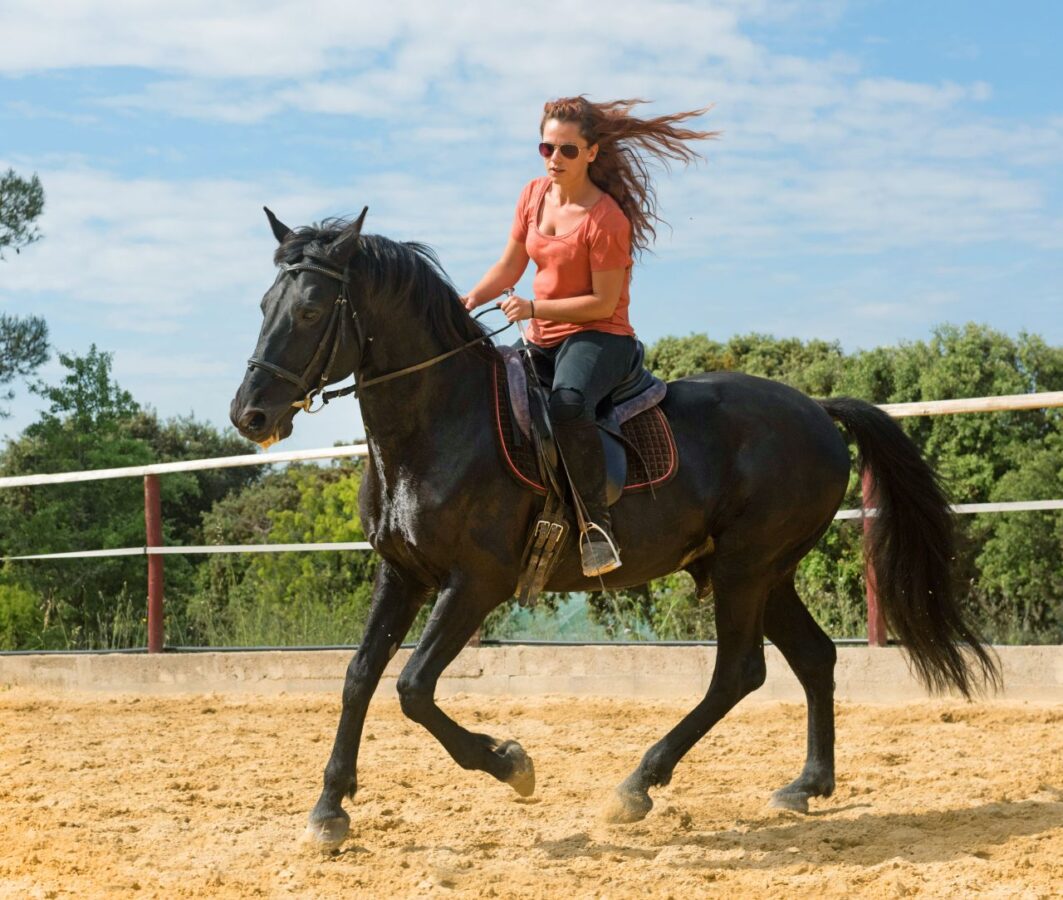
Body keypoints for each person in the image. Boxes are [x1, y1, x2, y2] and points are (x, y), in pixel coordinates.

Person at [463, 96, 718, 577]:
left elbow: (602, 303)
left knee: (566, 403)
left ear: (592, 153)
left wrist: (533, 306)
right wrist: (469, 300)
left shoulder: (607, 221)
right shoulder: (533, 195)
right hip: (542, 335)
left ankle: (596, 529)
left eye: (567, 150)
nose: (554, 159)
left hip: (601, 337)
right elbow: (510, 266)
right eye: (546, 148)